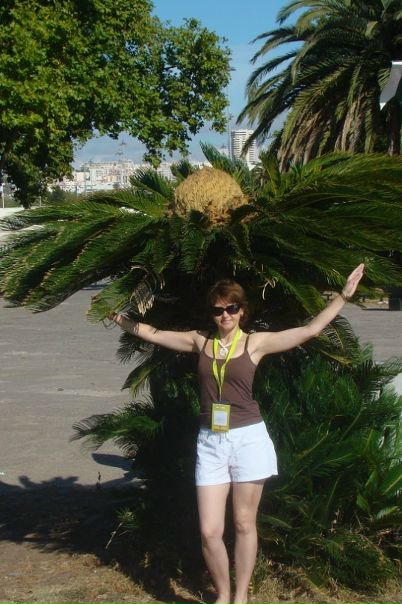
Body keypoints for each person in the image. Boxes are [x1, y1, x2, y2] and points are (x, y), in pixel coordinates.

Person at [108, 263, 365, 604]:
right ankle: (223, 594)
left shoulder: (255, 343)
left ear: (242, 310)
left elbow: (310, 330)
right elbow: (153, 333)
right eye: (218, 310)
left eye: (231, 308)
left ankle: (240, 597)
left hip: (248, 440)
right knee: (209, 530)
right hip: (211, 442)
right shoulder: (200, 342)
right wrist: (115, 316)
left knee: (244, 523)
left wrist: (343, 296)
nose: (225, 315)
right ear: (212, 313)